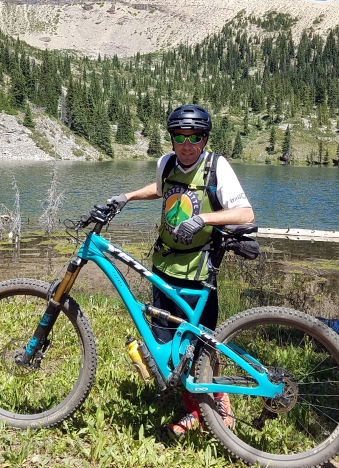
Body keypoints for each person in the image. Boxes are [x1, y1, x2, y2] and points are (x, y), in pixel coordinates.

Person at [107, 104, 255, 438]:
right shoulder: (167, 163)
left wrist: (203, 218)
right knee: (166, 340)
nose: (187, 145)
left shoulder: (217, 167)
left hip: (198, 270)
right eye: (179, 137)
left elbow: (245, 214)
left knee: (202, 346)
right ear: (171, 138)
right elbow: (160, 189)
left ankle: (220, 410)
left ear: (205, 139)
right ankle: (191, 407)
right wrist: (127, 196)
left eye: (195, 137)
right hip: (164, 267)